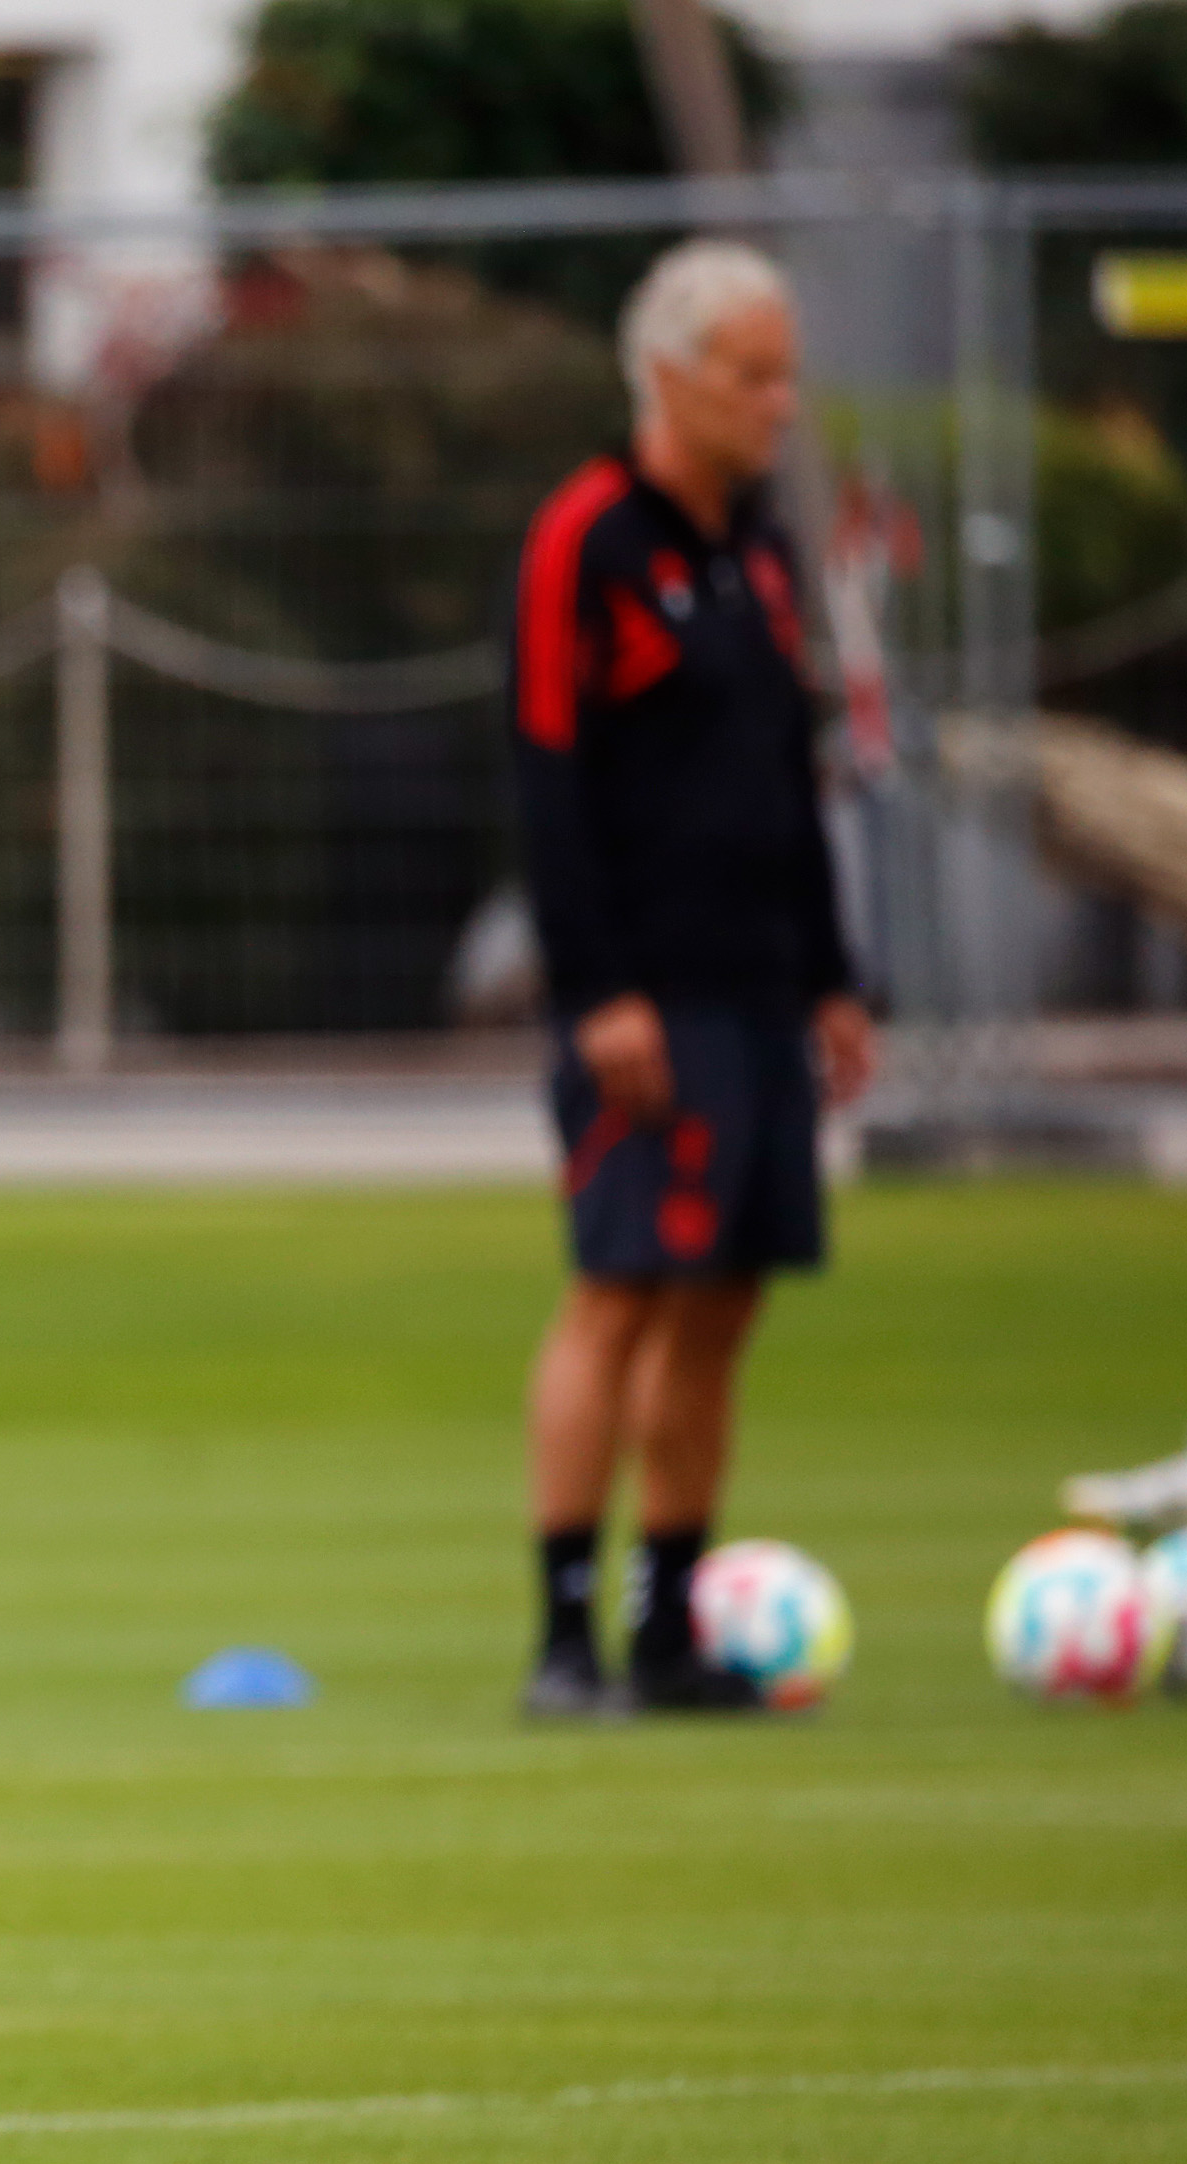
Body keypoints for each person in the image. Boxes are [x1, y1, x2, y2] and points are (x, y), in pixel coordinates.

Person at [509, 238, 880, 1720]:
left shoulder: (761, 551)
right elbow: (544, 775)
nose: (779, 403)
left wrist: (835, 978)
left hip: (759, 992)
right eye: (752, 374)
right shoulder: (584, 538)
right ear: (667, 375)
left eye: (786, 373)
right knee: (617, 1291)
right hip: (643, 1003)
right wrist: (597, 988)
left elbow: (788, 785)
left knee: (723, 1299)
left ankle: (670, 1628)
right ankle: (561, 1633)